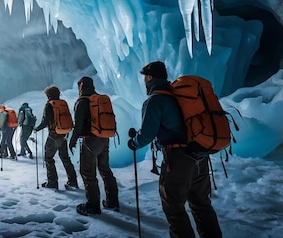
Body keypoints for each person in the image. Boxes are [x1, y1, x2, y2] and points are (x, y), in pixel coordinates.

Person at [128, 61, 222, 237]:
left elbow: (147, 134)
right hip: (199, 155)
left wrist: (134, 143)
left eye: (145, 78)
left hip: (177, 159)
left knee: (173, 207)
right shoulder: (177, 97)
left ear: (150, 77)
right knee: (201, 204)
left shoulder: (155, 100)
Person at [69, 76, 119, 216]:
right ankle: (112, 200)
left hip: (90, 140)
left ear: (81, 87)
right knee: (105, 169)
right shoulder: (98, 99)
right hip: (104, 138)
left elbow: (78, 126)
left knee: (88, 173)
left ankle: (93, 206)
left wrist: (72, 141)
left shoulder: (82, 102)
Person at [34, 85, 78, 189]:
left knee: (48, 158)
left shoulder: (49, 105)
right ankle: (73, 181)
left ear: (48, 95)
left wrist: (36, 129)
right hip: (63, 134)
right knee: (65, 158)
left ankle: (52, 182)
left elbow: (46, 121)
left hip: (54, 135)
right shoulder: (63, 103)